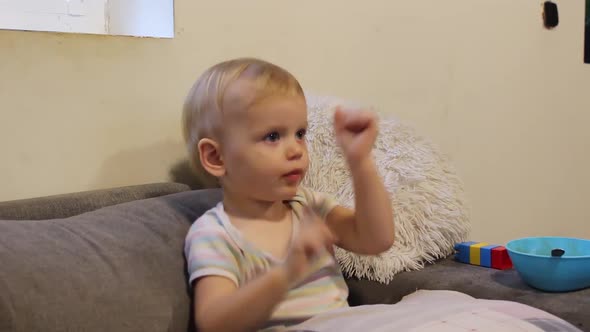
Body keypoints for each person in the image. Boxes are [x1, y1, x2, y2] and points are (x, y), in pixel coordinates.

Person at [182, 57, 395, 332]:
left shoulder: (308, 206)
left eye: (299, 133)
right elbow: (214, 323)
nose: (296, 150)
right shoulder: (215, 234)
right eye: (272, 136)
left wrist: (360, 161)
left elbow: (377, 239)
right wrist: (286, 273)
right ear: (216, 157)